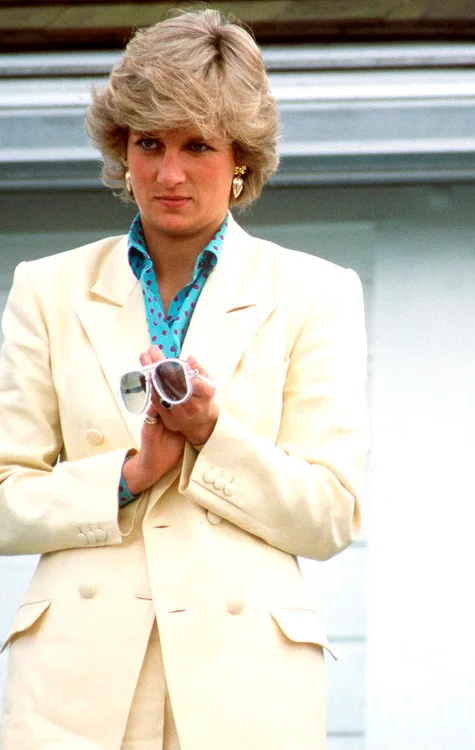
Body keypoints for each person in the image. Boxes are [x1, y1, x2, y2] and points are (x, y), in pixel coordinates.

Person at [0, 10, 367, 750]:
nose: (169, 174)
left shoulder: (316, 292)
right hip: (74, 695)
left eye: (198, 145)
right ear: (121, 151)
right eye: (149, 144)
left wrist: (211, 436)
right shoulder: (45, 288)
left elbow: (331, 515)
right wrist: (126, 477)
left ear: (241, 157)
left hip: (246, 695)